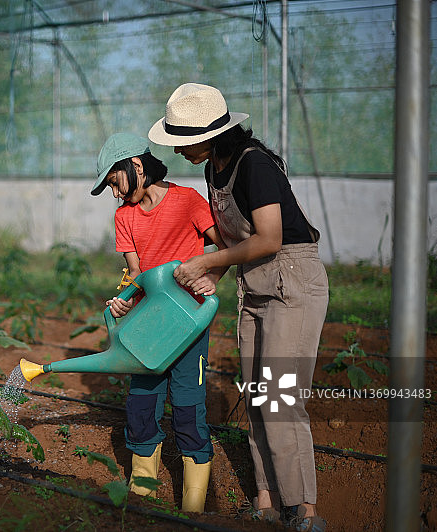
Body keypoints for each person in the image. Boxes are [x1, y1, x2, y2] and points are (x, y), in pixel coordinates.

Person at [148, 82, 328, 532]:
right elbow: (236, 244)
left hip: (292, 281)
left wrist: (207, 260)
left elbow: (269, 238)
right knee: (255, 395)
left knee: (280, 399)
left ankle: (304, 511)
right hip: (257, 285)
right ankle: (265, 496)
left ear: (210, 136)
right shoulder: (215, 170)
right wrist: (212, 276)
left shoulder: (255, 165)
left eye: (184, 142)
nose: (178, 152)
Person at [91, 132, 226, 513]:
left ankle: (194, 506)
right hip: (148, 328)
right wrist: (123, 302)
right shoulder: (124, 217)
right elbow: (136, 274)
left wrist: (212, 277)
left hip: (187, 326)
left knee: (187, 408)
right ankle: (144, 494)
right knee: (141, 407)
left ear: (136, 166)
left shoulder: (187, 202)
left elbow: (224, 247)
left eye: (115, 183)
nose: (115, 194)